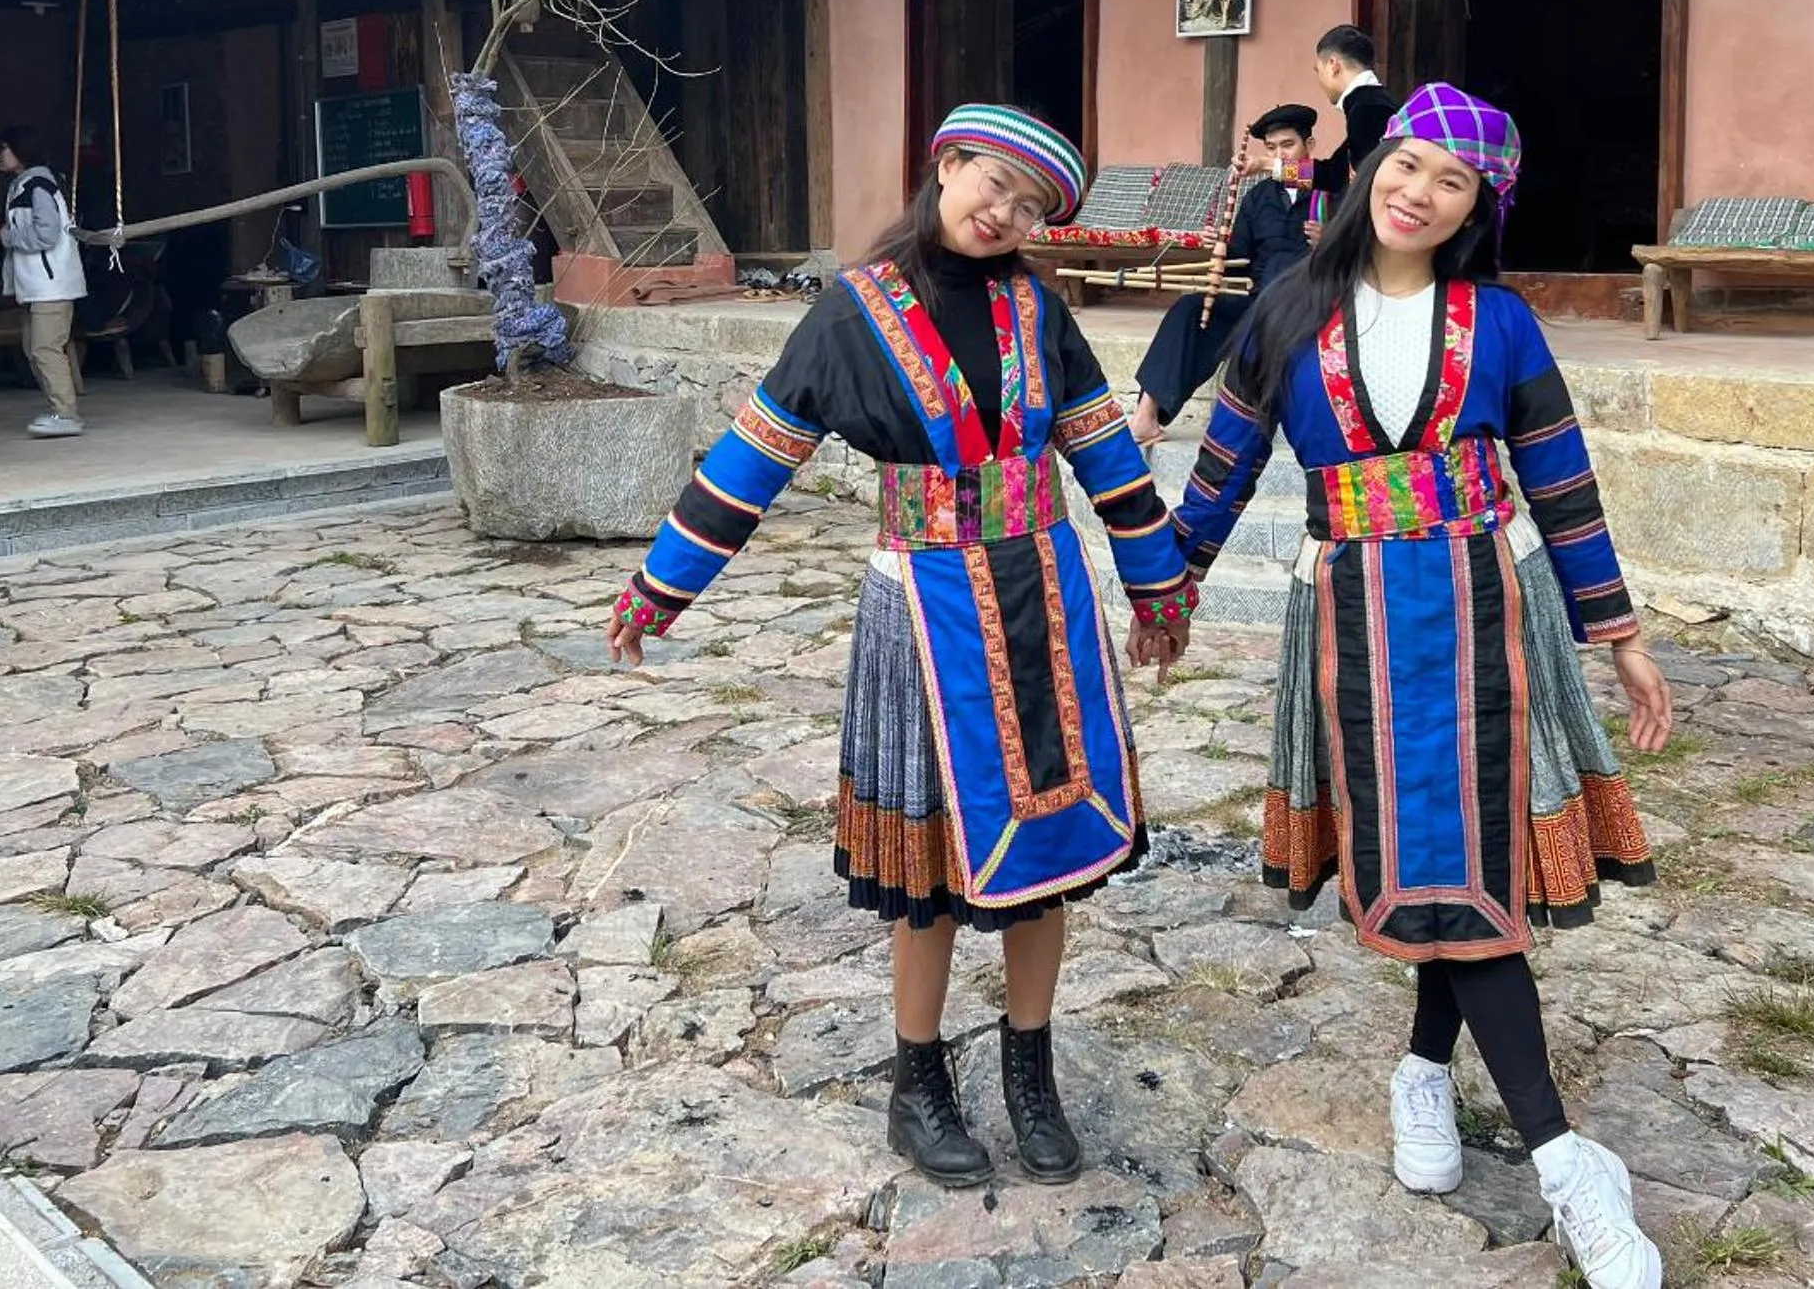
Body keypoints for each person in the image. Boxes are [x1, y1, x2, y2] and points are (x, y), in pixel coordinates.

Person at [606, 105, 1197, 1189]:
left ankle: (1032, 1068)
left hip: (1045, 601)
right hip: (922, 609)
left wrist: (1159, 588)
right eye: (993, 183)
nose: (1003, 212)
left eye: (1030, 207)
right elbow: (755, 458)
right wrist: (662, 587)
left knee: (1050, 852)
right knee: (927, 863)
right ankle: (916, 1081)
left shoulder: (1039, 313)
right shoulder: (851, 316)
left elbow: (1109, 462)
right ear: (947, 164)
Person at [1173, 82, 1675, 1289]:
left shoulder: (1499, 325)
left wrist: (1620, 634)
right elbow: (1222, 471)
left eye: (1453, 183)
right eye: (1408, 166)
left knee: (1467, 870)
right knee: (1429, 868)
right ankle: (1492, 1113)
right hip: (1349, 621)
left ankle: (1551, 1153)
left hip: (1486, 618)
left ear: (1475, 210)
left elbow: (1561, 484)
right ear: (1372, 170)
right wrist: (1164, 587)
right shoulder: (1288, 312)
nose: (1419, 192)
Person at [1126, 103, 1319, 447]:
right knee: (1190, 310)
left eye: (1287, 145)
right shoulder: (1258, 197)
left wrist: (1329, 240)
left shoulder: (1330, 189)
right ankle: (1146, 416)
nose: (1278, 154)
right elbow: (1240, 256)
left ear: (1310, 145)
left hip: (1312, 305)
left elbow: (1359, 247)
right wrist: (1219, 245)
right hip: (1260, 303)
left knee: (1279, 280)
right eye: (1271, 149)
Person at [0, 127, 87, 438]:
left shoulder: (38, 184)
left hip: (51, 284)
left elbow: (47, 233)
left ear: (21, 150)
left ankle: (67, 414)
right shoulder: (23, 185)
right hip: (36, 285)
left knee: (45, 349)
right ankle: (60, 409)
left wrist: (5, 236)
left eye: (3, 148)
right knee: (35, 349)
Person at [1309, 23, 1395, 207]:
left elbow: (1368, 184)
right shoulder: (1368, 103)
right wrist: (1268, 166)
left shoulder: (1369, 108)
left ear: (1333, 65)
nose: (1319, 80)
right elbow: (1333, 175)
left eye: (1318, 70)